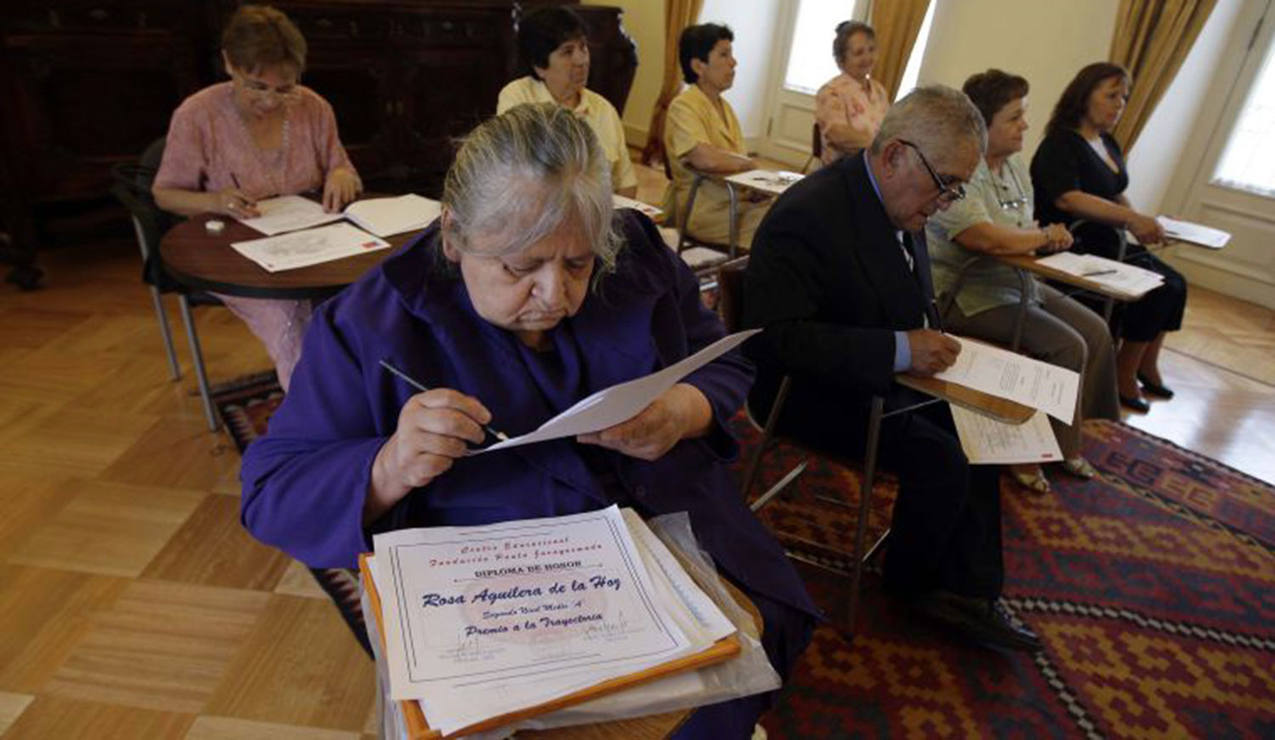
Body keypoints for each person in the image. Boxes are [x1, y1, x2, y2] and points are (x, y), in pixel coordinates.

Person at [240, 103, 818, 737]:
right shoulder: (368, 323)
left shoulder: (636, 252)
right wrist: (389, 464)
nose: (557, 295)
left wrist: (687, 408)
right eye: (520, 267)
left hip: (666, 526)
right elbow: (272, 491)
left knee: (751, 645)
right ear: (454, 235)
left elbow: (720, 361)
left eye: (578, 264)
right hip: (502, 584)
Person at [743, 86, 1041, 652]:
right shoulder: (809, 215)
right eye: (947, 183)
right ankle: (914, 585)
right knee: (943, 456)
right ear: (895, 154)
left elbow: (902, 299)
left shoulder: (901, 197)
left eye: (958, 187)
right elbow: (776, 342)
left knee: (982, 426)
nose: (948, 200)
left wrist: (931, 350)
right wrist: (901, 350)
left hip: (879, 377)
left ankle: (972, 588)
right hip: (807, 392)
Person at [926, 69, 1119, 494]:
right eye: (1014, 118)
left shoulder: (1014, 167)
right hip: (966, 292)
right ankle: (1028, 452)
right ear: (982, 123)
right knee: (1068, 344)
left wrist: (1040, 237)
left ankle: (1067, 436)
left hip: (1015, 281)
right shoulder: (961, 168)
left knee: (1097, 330)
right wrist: (1043, 236)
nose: (1025, 126)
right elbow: (984, 237)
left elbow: (1020, 228)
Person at [152, 4, 362, 391]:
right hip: (232, 252)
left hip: (311, 243)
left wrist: (341, 175)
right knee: (289, 316)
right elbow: (165, 194)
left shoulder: (313, 107)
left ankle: (357, 397)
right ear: (229, 63)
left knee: (365, 300)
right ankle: (312, 427)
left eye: (284, 88)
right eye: (257, 87)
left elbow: (341, 166)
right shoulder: (198, 115)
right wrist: (215, 201)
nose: (271, 100)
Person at [1031, 62, 1187, 413]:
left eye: (1125, 97)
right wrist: (1132, 220)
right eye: (1112, 96)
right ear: (1084, 96)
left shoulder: (1107, 142)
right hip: (1075, 244)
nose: (1120, 104)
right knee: (1162, 287)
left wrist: (1150, 223)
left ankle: (1146, 363)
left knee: (1177, 282)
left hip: (1110, 241)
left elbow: (1115, 193)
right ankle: (1123, 372)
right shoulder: (1060, 143)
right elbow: (1067, 198)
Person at [497, 5, 637, 198]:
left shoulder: (603, 109)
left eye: (583, 47)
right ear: (539, 66)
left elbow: (626, 184)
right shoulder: (517, 98)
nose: (581, 60)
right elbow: (518, 179)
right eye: (567, 52)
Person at [662, 23, 770, 249]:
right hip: (705, 210)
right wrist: (749, 167)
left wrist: (754, 188)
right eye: (724, 55)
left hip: (735, 202)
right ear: (698, 66)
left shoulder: (725, 108)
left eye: (732, 54)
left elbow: (732, 161)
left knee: (790, 212)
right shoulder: (683, 106)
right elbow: (704, 158)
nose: (734, 62)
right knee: (781, 227)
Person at [814, 21, 890, 166]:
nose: (867, 57)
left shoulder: (879, 90)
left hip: (875, 168)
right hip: (842, 172)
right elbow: (839, 135)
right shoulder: (831, 92)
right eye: (859, 53)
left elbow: (890, 129)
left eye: (871, 50)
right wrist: (880, 149)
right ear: (841, 60)